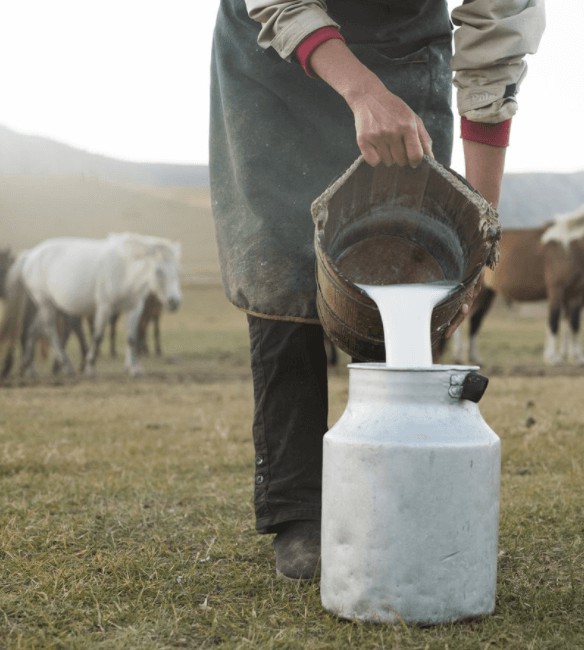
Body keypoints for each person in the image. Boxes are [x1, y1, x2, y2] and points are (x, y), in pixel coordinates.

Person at [209, 0, 545, 580]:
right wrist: (362, 93)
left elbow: (497, 42)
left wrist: (477, 230)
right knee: (285, 264)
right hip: (279, 55)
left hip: (406, 49)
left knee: (415, 242)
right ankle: (300, 513)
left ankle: (397, 492)